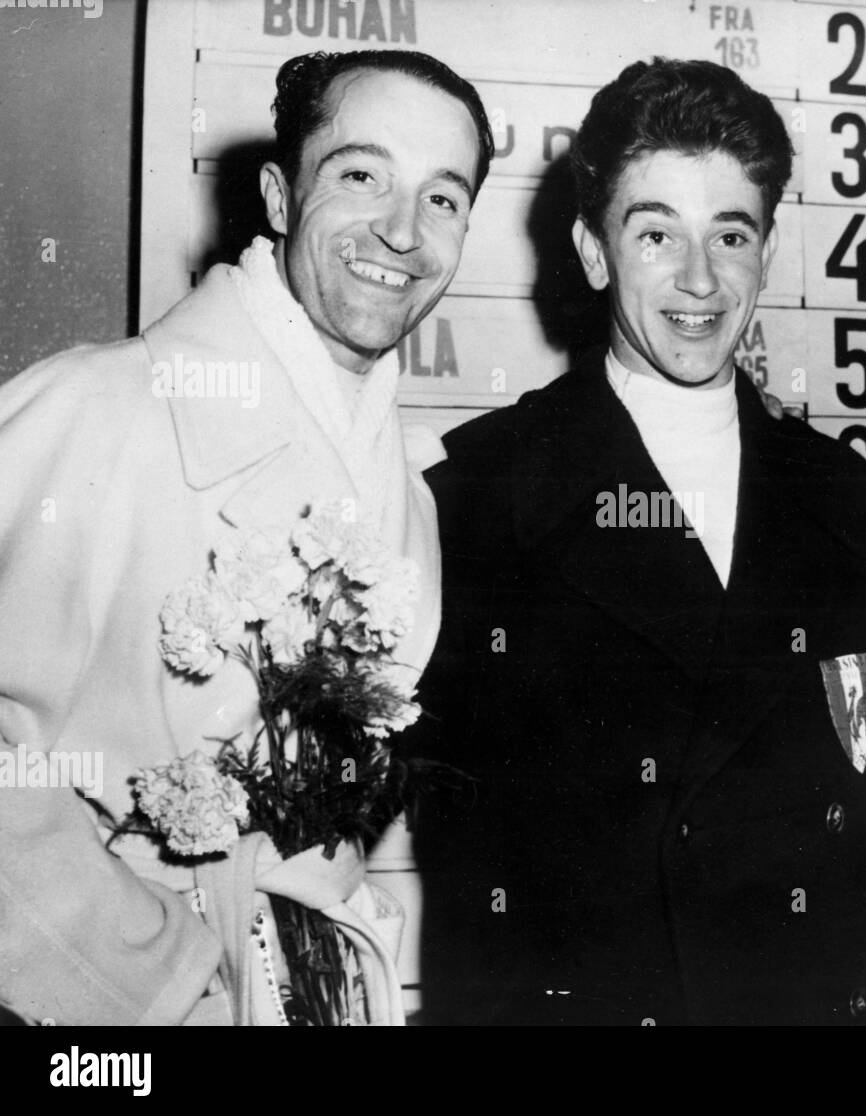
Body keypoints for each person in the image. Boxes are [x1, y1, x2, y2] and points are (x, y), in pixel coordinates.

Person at [0, 49, 494, 1025]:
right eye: (361, 176)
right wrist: (151, 979)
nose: (402, 232)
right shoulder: (104, 407)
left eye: (443, 199)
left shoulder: (412, 503)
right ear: (277, 194)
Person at [419, 57, 866, 1026]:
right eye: (655, 234)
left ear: (765, 251)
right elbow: (470, 872)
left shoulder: (847, 502)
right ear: (594, 254)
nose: (698, 279)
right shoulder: (482, 492)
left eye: (730, 233)